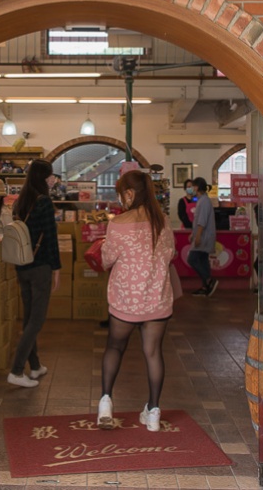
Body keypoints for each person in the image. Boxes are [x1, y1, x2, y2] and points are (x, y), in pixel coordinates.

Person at [96, 169, 176, 433]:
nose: (121, 200)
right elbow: (170, 254)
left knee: (115, 348)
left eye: (121, 194)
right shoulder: (162, 221)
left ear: (129, 193)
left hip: (125, 299)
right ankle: (153, 412)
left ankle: (106, 403)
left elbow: (106, 259)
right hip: (157, 298)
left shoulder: (118, 223)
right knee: (153, 353)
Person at [7, 159, 61, 388]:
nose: (53, 179)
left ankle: (35, 366)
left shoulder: (21, 201)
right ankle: (17, 371)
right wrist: (57, 269)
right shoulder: (45, 202)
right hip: (40, 268)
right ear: (44, 178)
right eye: (50, 175)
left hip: (22, 266)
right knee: (36, 321)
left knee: (29, 317)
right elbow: (50, 239)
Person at [187, 176, 218, 297]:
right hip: (202, 235)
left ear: (197, 187)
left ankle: (209, 280)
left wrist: (198, 236)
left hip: (204, 236)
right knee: (203, 260)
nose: (191, 189)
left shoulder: (204, 201)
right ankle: (206, 286)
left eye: (192, 186)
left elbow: (202, 221)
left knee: (192, 259)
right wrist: (193, 234)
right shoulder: (201, 200)